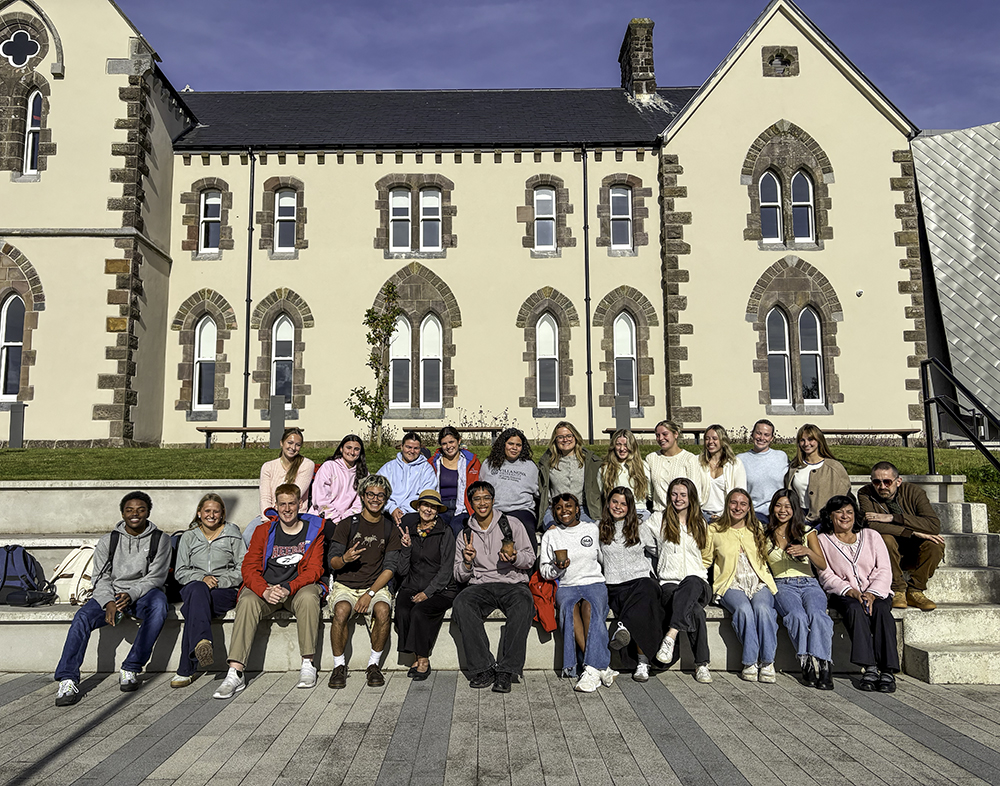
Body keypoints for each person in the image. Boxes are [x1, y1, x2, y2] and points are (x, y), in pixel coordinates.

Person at [54, 491, 170, 706]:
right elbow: (100, 577)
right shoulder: (109, 540)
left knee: (159, 606)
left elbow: (156, 577)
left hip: (143, 593)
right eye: (129, 510)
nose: (135, 514)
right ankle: (67, 678)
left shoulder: (160, 539)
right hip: (111, 593)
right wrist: (109, 602)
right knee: (82, 618)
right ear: (122, 513)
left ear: (148, 512)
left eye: (140, 510)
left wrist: (131, 594)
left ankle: (131, 667)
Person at [214, 484, 325, 699]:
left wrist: (288, 587)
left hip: (296, 590)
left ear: (299, 504)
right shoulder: (263, 531)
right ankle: (235, 672)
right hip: (267, 590)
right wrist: (264, 590)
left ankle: (308, 663)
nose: (287, 508)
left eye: (291, 503)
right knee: (246, 600)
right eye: (282, 504)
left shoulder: (314, 530)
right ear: (276, 505)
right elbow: (249, 567)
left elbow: (315, 569)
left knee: (311, 597)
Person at [452, 480, 535, 693]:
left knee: (524, 603)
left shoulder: (512, 524)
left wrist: (515, 557)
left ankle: (507, 670)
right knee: (462, 602)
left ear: (493, 500)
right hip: (480, 585)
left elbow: (529, 559)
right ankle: (483, 667)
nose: (482, 503)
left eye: (486, 498)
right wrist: (468, 562)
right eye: (477, 499)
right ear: (470, 503)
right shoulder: (465, 534)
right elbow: (459, 575)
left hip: (512, 583)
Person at [816, 495, 899, 693]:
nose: (845, 516)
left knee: (881, 612)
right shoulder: (823, 540)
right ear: (830, 516)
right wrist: (852, 591)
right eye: (839, 512)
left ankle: (887, 670)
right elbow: (826, 574)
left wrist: (871, 593)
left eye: (849, 512)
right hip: (844, 594)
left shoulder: (871, 536)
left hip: (877, 592)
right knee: (854, 610)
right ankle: (869, 667)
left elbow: (884, 569)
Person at [326, 474, 402, 689]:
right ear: (362, 496)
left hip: (375, 585)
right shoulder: (347, 525)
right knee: (340, 610)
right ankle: (339, 666)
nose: (375, 499)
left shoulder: (389, 528)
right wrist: (345, 559)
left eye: (380, 495)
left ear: (386, 499)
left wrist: (370, 593)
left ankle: (373, 665)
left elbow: (390, 568)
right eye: (371, 494)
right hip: (346, 585)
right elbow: (332, 562)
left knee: (383, 610)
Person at [541, 493, 618, 692]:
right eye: (558, 507)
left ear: (577, 509)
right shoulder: (551, 535)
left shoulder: (591, 529)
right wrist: (558, 568)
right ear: (554, 512)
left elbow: (603, 558)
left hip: (594, 582)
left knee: (589, 607)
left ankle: (591, 669)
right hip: (567, 585)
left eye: (569, 506)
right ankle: (597, 668)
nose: (564, 510)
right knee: (568, 608)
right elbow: (544, 571)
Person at [171, 493, 247, 688]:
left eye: (216, 511)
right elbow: (180, 572)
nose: (211, 515)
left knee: (193, 609)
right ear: (199, 513)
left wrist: (220, 581)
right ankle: (202, 641)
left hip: (224, 590)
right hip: (194, 587)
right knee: (197, 591)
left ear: (222, 514)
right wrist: (202, 579)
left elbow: (243, 568)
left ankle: (186, 669)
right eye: (207, 511)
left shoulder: (232, 534)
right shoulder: (188, 537)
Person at [703, 488, 779, 683]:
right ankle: (750, 661)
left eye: (743, 504)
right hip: (730, 583)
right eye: (733, 503)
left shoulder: (757, 529)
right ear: (727, 504)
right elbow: (705, 560)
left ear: (749, 508)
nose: (738, 507)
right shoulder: (714, 529)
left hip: (758, 581)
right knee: (744, 610)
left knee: (762, 609)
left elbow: (767, 557)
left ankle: (768, 661)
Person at [644, 478, 713, 684]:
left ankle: (670, 636)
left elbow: (706, 555)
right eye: (674, 494)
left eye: (683, 495)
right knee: (696, 612)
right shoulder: (659, 520)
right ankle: (702, 664)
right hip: (670, 583)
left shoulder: (700, 522)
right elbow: (642, 538)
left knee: (692, 581)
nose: (678, 499)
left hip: (699, 583)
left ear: (691, 497)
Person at [764, 489, 833, 690]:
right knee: (797, 616)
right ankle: (807, 663)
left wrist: (808, 551)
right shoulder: (764, 533)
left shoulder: (807, 531)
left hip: (809, 583)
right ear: (772, 508)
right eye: (778, 505)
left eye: (787, 506)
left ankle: (824, 664)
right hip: (782, 584)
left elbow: (822, 564)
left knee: (818, 615)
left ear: (795, 509)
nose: (782, 510)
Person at [857, 461, 945, 611]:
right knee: (885, 538)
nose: (882, 486)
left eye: (887, 482)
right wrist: (911, 532)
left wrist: (893, 518)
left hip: (913, 550)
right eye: (876, 482)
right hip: (887, 552)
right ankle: (898, 589)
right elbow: (871, 524)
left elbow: (933, 525)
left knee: (935, 544)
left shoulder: (914, 492)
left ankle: (915, 590)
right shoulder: (865, 493)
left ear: (898, 481)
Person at [598, 487, 663, 682]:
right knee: (641, 608)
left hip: (640, 581)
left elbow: (657, 550)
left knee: (648, 589)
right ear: (608, 503)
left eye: (623, 504)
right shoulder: (598, 527)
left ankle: (624, 629)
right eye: (614, 502)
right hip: (615, 585)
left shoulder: (640, 527)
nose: (618, 507)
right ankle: (643, 661)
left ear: (630, 507)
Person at [395, 489, 458, 681]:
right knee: (403, 608)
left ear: (438, 511)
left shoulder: (445, 532)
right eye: (425, 505)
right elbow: (402, 570)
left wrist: (428, 592)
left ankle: (422, 659)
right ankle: (414, 654)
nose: (428, 510)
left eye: (433, 507)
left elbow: (446, 569)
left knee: (420, 611)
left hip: (442, 588)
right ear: (419, 507)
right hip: (413, 584)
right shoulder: (411, 531)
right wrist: (406, 549)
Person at [244, 427, 315, 546]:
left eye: (297, 445)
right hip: (271, 513)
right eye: (290, 443)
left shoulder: (307, 465)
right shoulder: (268, 466)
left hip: (294, 513)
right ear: (282, 443)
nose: (293, 448)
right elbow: (265, 497)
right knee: (247, 536)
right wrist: (267, 519)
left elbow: (294, 495)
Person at [479, 427, 540, 550]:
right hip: (495, 509)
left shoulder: (530, 466)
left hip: (521, 509)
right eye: (510, 444)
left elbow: (537, 492)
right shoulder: (489, 463)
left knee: (526, 527)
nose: (514, 448)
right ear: (503, 445)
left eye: (518, 445)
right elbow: (482, 488)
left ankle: (531, 565)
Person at [537, 421, 602, 527]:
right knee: (554, 533)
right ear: (555, 440)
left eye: (569, 436)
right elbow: (543, 493)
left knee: (588, 532)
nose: (565, 440)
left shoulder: (589, 461)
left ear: (575, 437)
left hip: (583, 509)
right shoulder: (547, 462)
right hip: (556, 510)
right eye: (560, 437)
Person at [784, 424, 850, 523]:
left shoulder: (834, 467)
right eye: (802, 440)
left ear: (819, 441)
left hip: (824, 519)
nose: (806, 444)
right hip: (798, 517)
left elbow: (843, 494)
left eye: (811, 439)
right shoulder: (794, 467)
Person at [645, 420, 706, 512]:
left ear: (675, 434)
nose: (661, 438)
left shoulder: (689, 459)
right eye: (657, 435)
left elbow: (695, 491)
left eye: (665, 434)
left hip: (683, 513)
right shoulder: (651, 458)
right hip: (659, 513)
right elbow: (649, 491)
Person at [378, 432, 437, 526]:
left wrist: (403, 511)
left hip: (413, 511)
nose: (412, 451)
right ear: (401, 447)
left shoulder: (426, 469)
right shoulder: (389, 467)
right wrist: (392, 508)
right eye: (408, 447)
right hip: (388, 510)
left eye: (416, 448)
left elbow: (426, 493)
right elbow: (378, 490)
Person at [430, 426, 482, 534]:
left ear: (459, 441)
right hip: (440, 507)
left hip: (463, 507)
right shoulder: (433, 463)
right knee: (437, 529)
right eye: (444, 444)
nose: (448, 446)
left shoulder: (471, 462)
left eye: (451, 442)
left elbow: (478, 486)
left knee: (457, 528)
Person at [309, 434, 369, 522]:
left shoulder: (364, 473)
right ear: (341, 449)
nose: (352, 452)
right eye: (348, 448)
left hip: (348, 521)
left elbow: (359, 503)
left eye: (356, 449)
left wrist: (345, 521)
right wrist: (335, 518)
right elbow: (320, 497)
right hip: (323, 517)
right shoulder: (329, 466)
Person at [738, 419, 789, 523]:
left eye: (766, 435)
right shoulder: (741, 459)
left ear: (771, 438)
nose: (762, 438)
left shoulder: (781, 456)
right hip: (754, 513)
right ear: (752, 434)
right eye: (758, 433)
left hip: (779, 512)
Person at [693, 424, 747, 522]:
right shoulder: (697, 462)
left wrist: (726, 515)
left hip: (725, 515)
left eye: (714, 438)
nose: (710, 442)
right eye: (707, 439)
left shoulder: (735, 464)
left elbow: (741, 493)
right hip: (701, 514)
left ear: (722, 441)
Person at [600, 429, 651, 518]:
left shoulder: (643, 466)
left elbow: (650, 494)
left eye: (626, 445)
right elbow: (601, 495)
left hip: (638, 510)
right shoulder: (605, 469)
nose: (622, 449)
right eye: (618, 444)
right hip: (615, 512)